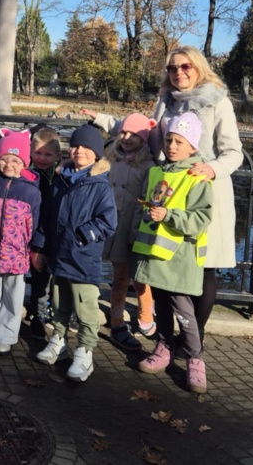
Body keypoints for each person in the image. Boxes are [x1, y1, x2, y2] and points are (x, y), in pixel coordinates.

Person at [149, 46, 243, 352]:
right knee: (166, 263)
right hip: (171, 193)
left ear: (199, 67)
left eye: (185, 66)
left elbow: (233, 152)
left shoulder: (218, 101)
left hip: (206, 190)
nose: (179, 72)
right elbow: (152, 142)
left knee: (204, 265)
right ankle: (167, 339)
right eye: (172, 68)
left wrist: (211, 169)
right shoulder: (165, 102)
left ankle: (193, 339)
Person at [133, 112, 213, 395]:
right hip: (155, 254)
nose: (172, 146)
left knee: (183, 310)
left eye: (180, 141)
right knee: (162, 305)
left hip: (180, 257)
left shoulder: (197, 176)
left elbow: (201, 218)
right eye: (169, 140)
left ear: (192, 147)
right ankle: (164, 346)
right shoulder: (157, 172)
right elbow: (145, 209)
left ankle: (195, 359)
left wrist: (169, 215)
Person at [33, 125, 117, 383]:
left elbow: (108, 222)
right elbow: (47, 217)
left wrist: (82, 235)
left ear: (97, 153)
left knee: (85, 307)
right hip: (59, 255)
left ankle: (84, 351)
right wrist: (41, 247)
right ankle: (58, 340)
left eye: (86, 147)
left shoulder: (100, 184)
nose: (80, 151)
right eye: (76, 146)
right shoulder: (61, 179)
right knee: (59, 303)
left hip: (82, 258)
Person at [0, 129, 42, 355]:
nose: (9, 164)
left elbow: (35, 222)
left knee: (13, 296)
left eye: (15, 160)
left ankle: (6, 334)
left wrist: (31, 248)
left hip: (16, 253)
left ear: (24, 162)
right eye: (4, 159)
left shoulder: (31, 191)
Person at [102, 113, 157, 351]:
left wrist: (139, 228)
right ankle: (117, 320)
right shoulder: (111, 159)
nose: (126, 138)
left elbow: (148, 198)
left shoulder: (148, 166)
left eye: (133, 134)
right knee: (119, 276)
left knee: (141, 277)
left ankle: (146, 315)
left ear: (143, 138)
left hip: (136, 226)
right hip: (115, 225)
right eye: (123, 132)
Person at [24, 125, 61, 337]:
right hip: (28, 233)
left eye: (48, 155)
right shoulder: (27, 174)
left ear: (57, 156)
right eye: (38, 153)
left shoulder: (58, 177)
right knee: (35, 276)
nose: (42, 158)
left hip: (49, 234)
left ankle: (42, 313)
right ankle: (36, 311)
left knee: (45, 278)